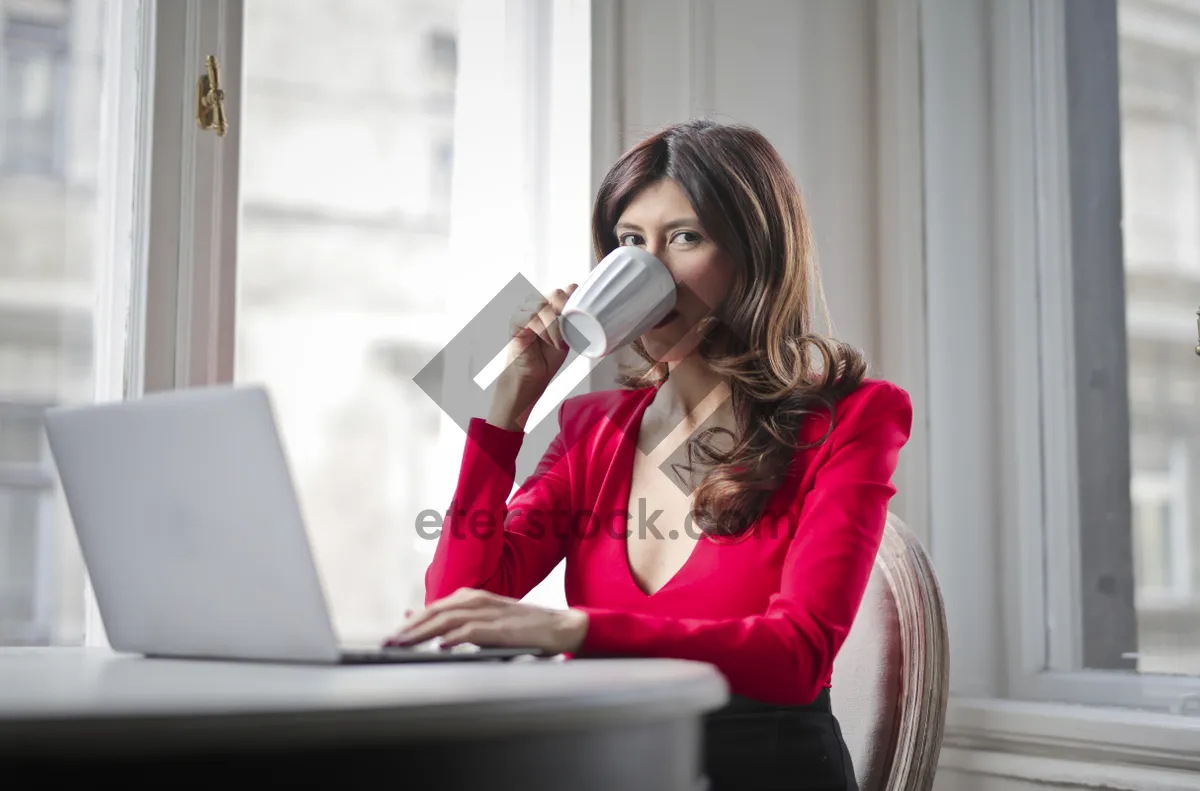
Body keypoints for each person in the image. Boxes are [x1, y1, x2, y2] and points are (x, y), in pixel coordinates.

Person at [387, 118, 912, 790]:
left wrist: (573, 629)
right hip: (608, 765)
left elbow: (798, 654)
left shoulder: (851, 418)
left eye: (684, 237)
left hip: (761, 768)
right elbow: (461, 601)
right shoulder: (591, 430)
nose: (646, 266)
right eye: (630, 242)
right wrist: (506, 413)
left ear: (752, 257)